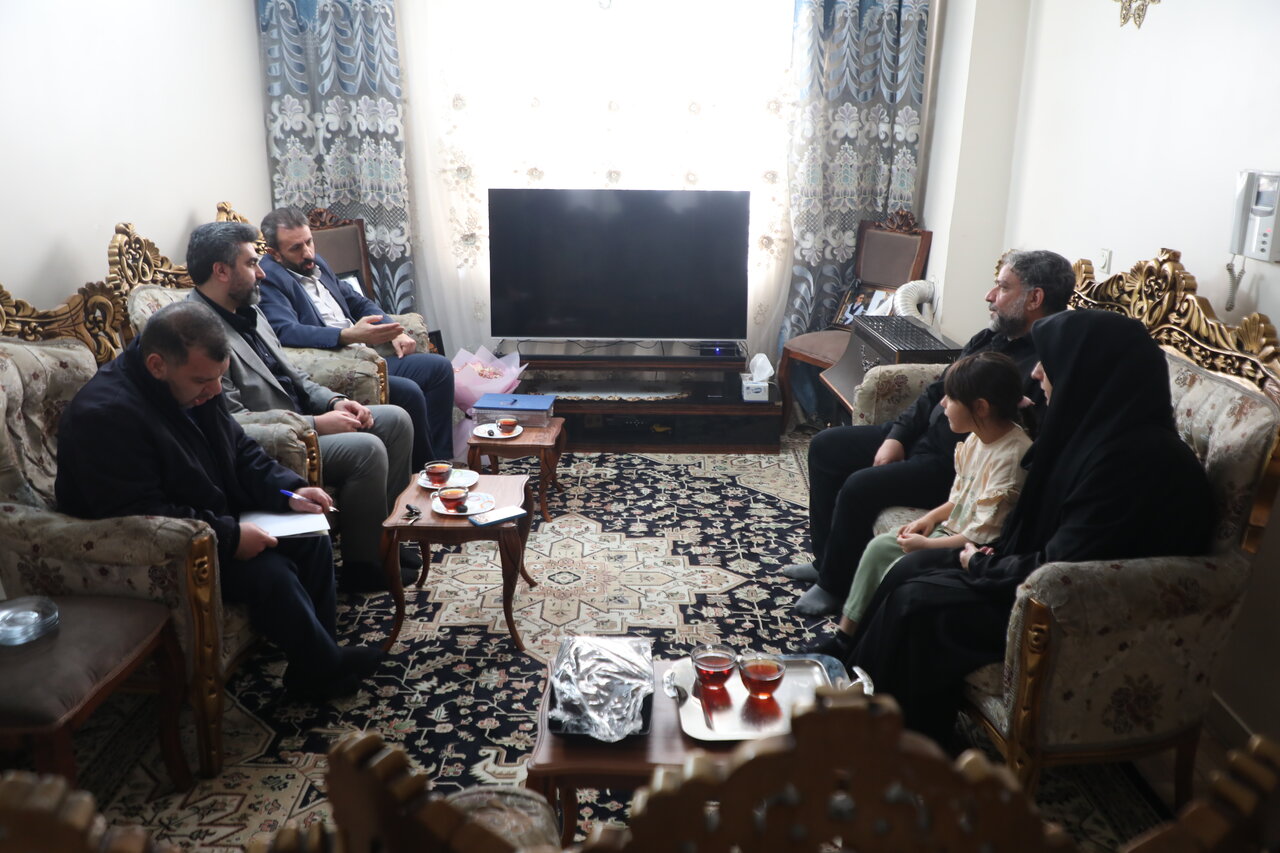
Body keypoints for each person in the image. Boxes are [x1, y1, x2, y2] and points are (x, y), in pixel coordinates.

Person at [843, 309, 1215, 744]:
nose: (1036, 372)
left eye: (1050, 362)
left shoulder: (1133, 462)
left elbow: (1063, 564)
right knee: (910, 569)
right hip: (1037, 576)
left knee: (917, 603)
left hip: (1072, 609)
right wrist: (983, 558)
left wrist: (980, 564)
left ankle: (896, 741)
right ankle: (860, 693)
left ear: (1086, 371)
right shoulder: (1095, 429)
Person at [56, 302, 383, 700]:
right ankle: (326, 667)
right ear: (157, 365)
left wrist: (291, 490)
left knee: (312, 538)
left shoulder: (194, 383)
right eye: (203, 381)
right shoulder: (106, 415)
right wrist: (230, 538)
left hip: (210, 516)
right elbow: (142, 515)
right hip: (159, 550)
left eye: (218, 378)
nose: (214, 391)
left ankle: (315, 667)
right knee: (274, 574)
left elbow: (239, 450)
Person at [785, 250, 1074, 616]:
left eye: (1002, 287)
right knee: (827, 445)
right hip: (925, 436)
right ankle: (826, 561)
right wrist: (897, 436)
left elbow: (1027, 441)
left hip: (953, 464)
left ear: (1035, 298)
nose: (989, 296)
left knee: (859, 486)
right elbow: (937, 389)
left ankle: (834, 586)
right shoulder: (993, 338)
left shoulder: (1047, 364)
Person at [183, 221, 417, 592]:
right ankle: (365, 566)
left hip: (301, 417)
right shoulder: (196, 332)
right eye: (251, 263)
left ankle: (389, 539)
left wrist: (336, 401)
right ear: (221, 271)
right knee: (367, 449)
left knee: (396, 421)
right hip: (275, 439)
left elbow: (295, 377)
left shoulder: (249, 309)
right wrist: (315, 424)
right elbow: (231, 420)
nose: (262, 273)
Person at [813, 351, 1032, 660]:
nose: (942, 403)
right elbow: (960, 497)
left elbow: (982, 536)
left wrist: (927, 545)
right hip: (953, 529)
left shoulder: (1011, 457)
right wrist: (930, 519)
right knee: (879, 549)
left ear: (981, 408)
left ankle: (866, 645)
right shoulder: (977, 438)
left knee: (899, 565)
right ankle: (844, 638)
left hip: (974, 550)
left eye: (951, 399)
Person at [256, 208, 455, 471]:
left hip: (365, 354)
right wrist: (345, 335)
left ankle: (443, 461)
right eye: (296, 248)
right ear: (274, 253)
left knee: (439, 369)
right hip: (338, 363)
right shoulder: (268, 278)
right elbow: (285, 330)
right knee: (409, 392)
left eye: (309, 242)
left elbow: (358, 302)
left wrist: (392, 330)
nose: (307, 252)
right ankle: (424, 472)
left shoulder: (316, 262)